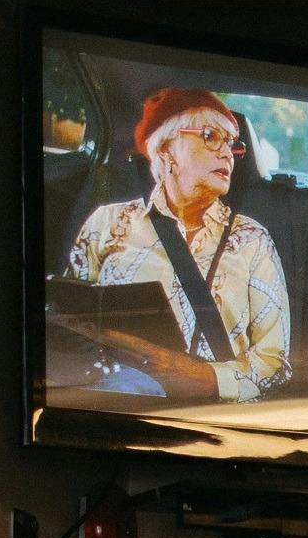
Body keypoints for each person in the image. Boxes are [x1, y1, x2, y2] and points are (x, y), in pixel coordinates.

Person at [65, 87, 291, 402]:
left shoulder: (253, 241)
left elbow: (274, 361)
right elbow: (68, 317)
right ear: (167, 148)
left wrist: (209, 378)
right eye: (211, 136)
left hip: (209, 415)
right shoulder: (107, 222)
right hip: (108, 396)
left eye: (232, 144)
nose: (227, 153)